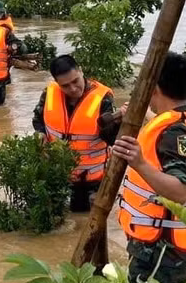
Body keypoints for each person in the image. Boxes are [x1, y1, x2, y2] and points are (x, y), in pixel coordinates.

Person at [112, 52, 186, 283]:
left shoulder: (174, 132)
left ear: (153, 88)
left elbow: (180, 191)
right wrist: (146, 115)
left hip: (162, 253)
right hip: (177, 246)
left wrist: (139, 162)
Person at [32, 55, 127, 212]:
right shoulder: (48, 94)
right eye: (66, 86)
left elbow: (112, 139)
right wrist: (40, 133)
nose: (73, 89)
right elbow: (38, 120)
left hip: (93, 180)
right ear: (57, 83)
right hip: (59, 176)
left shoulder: (103, 98)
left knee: (87, 222)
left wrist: (118, 121)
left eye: (75, 81)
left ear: (81, 71)